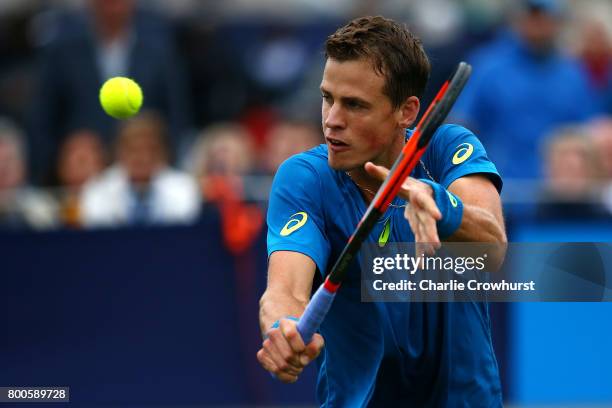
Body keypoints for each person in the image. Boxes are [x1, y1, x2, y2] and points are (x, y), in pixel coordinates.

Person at [257, 16, 506, 407]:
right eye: (327, 98)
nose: (332, 120)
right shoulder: (303, 178)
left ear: (406, 112)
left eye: (354, 105)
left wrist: (437, 203)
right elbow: (284, 289)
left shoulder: (447, 148)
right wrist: (282, 328)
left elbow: (493, 246)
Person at [80, 112, 200, 227]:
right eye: (134, 150)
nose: (143, 157)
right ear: (119, 152)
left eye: (151, 149)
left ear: (164, 152)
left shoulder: (184, 187)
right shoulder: (97, 189)